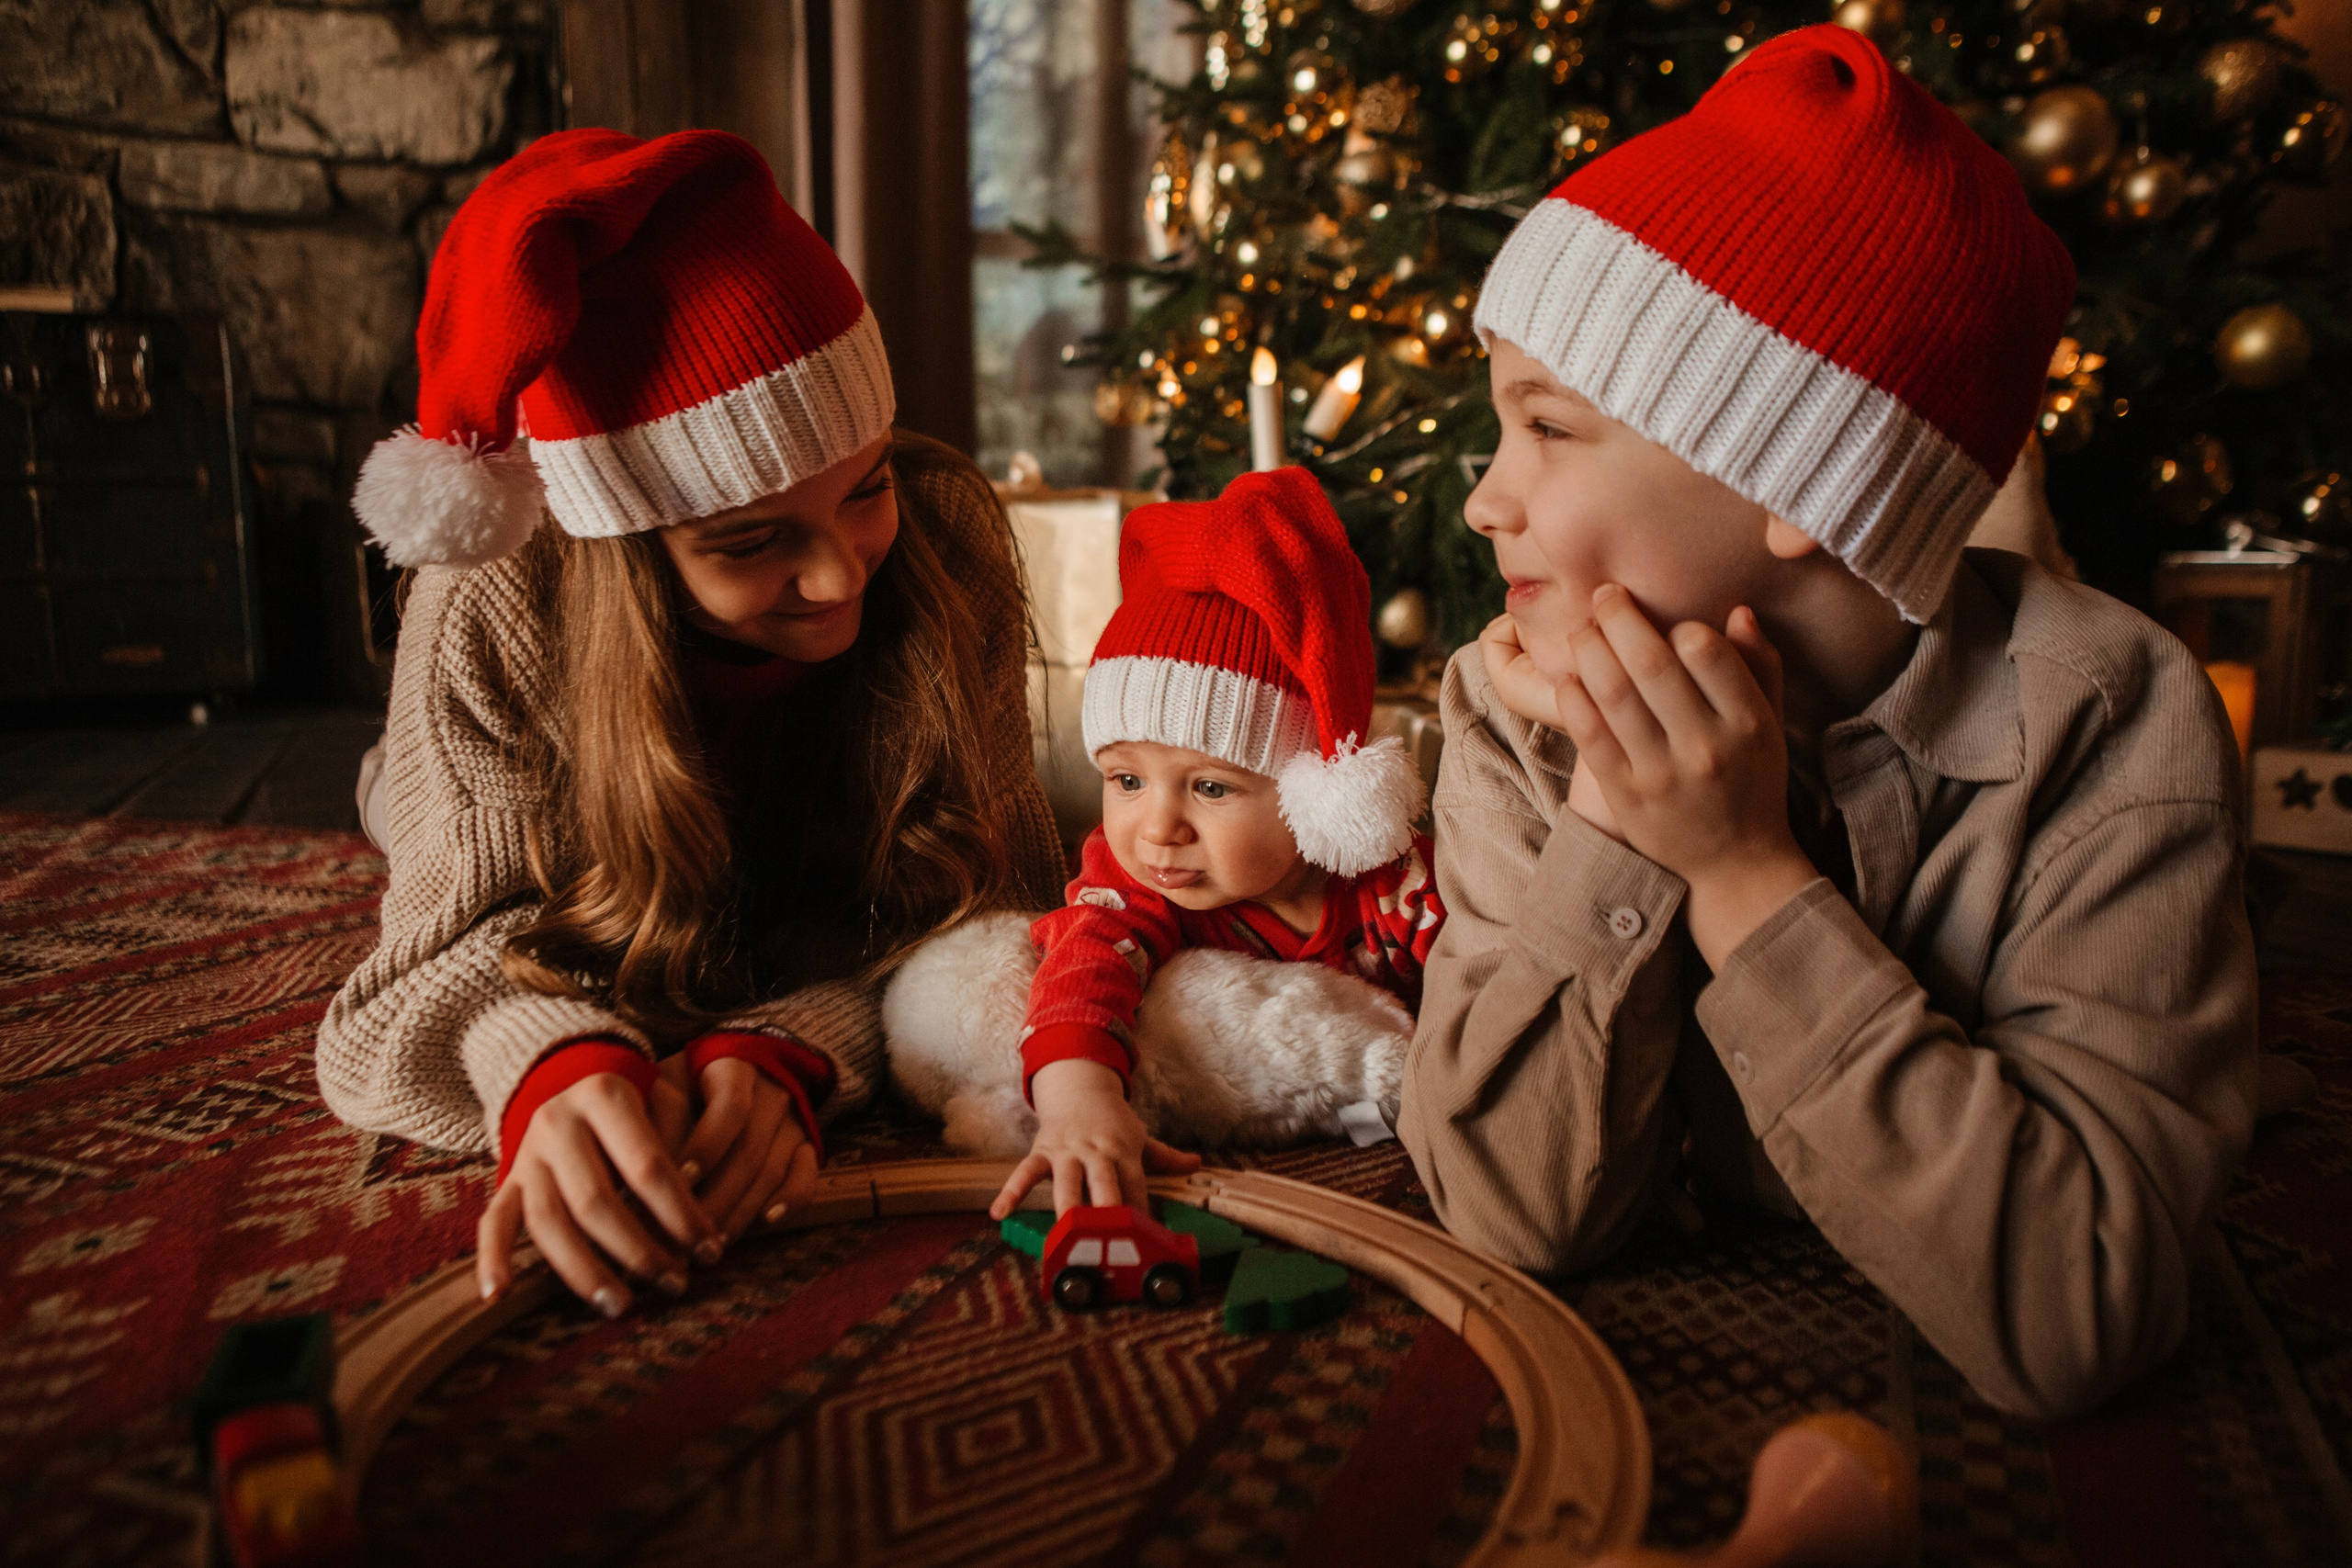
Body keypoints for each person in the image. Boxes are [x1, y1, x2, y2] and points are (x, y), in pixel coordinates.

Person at [1396, 25, 2257, 1420]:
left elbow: (2076, 1312)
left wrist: (1743, 874)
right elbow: (1507, 1216)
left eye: (1547, 428)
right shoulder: (1513, 704)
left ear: (1804, 478)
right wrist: (1617, 821)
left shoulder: (2113, 713)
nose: (1486, 501)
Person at [317, 129, 1064, 1317]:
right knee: (414, 825)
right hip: (558, 814)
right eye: (752, 538)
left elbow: (995, 912)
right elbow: (406, 994)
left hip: (757, 872)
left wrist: (795, 1046)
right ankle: (390, 779)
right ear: (631, 549)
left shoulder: (944, 542)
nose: (838, 579)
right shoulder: (495, 596)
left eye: (862, 486)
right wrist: (550, 1061)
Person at [986, 468, 1441, 1219]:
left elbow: (1487, 990)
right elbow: (1084, 964)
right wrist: (1079, 1097)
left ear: (1311, 790)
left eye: (1210, 787)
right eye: (1127, 780)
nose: (1158, 827)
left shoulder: (1393, 883)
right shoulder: (1138, 881)